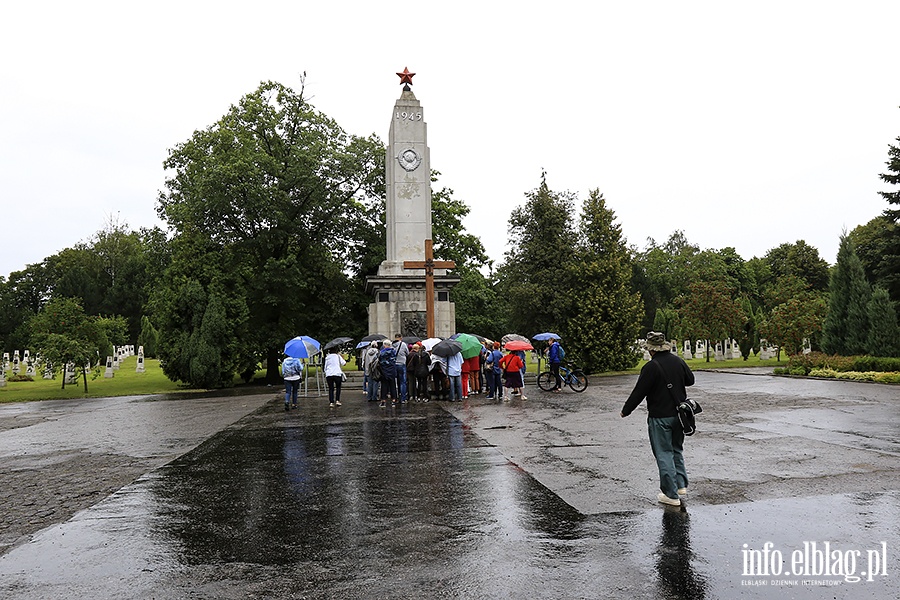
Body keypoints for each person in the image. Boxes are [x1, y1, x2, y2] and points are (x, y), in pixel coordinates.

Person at [620, 331, 695, 507]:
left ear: (651, 349)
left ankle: (670, 494)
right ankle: (681, 485)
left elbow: (639, 392)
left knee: (663, 453)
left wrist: (626, 410)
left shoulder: (651, 367)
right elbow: (690, 380)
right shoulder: (678, 361)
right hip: (679, 415)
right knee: (676, 449)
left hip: (660, 417)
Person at [378, 340, 398, 407]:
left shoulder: (381, 353)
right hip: (392, 370)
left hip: (384, 371)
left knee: (384, 386)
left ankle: (383, 401)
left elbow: (380, 362)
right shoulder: (393, 352)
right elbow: (394, 361)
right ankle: (394, 401)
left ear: (384, 345)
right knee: (393, 386)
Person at [393, 334, 409, 403]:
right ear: (401, 338)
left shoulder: (392, 345)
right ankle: (403, 398)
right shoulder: (403, 345)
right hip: (402, 364)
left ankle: (395, 398)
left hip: (394, 364)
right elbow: (407, 353)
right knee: (403, 382)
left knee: (395, 382)